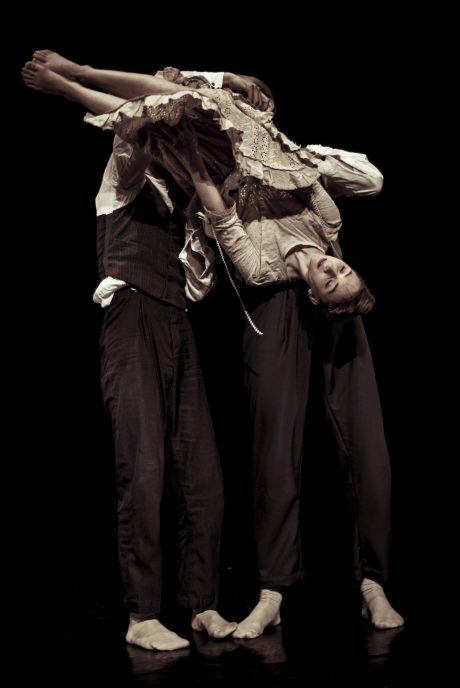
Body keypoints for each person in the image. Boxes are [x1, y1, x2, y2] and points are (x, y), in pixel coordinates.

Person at [23, 54, 403, 634]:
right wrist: (229, 93)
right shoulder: (180, 169)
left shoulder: (283, 231)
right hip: (176, 267)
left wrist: (225, 158)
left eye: (336, 275)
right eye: (340, 269)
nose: (333, 267)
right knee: (241, 450)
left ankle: (343, 586)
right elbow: (154, 107)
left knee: (328, 450)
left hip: (216, 202)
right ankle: (248, 594)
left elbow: (182, 146)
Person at [21, 56, 255, 651]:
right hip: (130, 317)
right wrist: (69, 82)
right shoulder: (125, 174)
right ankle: (142, 615)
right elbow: (144, 113)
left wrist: (223, 86)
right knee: (143, 468)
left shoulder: (186, 199)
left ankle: (202, 603)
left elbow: (200, 286)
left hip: (177, 325)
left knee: (203, 476)